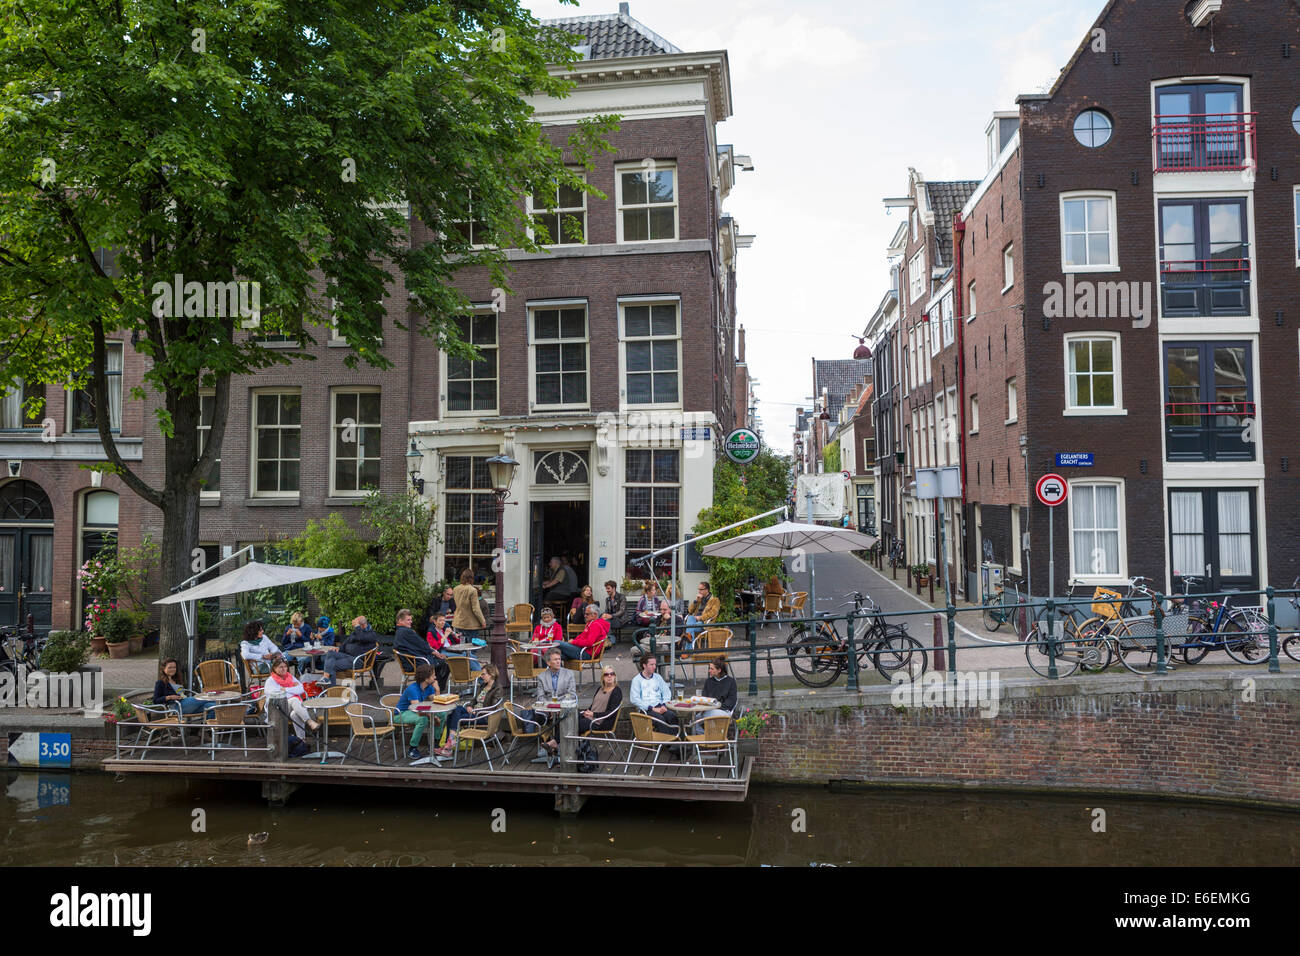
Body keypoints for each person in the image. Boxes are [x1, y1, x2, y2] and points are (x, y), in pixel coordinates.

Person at [436, 663, 504, 757]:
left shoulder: (497, 689)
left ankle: (448, 746)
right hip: (474, 712)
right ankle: (450, 743)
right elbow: (474, 700)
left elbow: (493, 707)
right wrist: (469, 706)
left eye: (483, 674)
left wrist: (479, 710)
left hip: (483, 715)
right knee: (455, 709)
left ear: (491, 675)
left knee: (454, 717)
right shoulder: (483, 686)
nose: (481, 676)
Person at [260, 654, 320, 739]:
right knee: (294, 699)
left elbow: (301, 689)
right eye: (280, 667)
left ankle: (301, 740)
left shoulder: (289, 677)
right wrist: (292, 688)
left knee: (295, 714)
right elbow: (277, 695)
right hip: (276, 709)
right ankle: (310, 722)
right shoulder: (271, 681)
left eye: (285, 666)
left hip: (288, 707)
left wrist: (286, 689)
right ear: (274, 668)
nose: (284, 669)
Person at [394, 663, 440, 760]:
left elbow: (437, 702)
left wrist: (437, 689)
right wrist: (434, 717)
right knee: (422, 719)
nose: (435, 677)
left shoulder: (429, 687)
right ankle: (412, 748)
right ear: (426, 678)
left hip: (415, 711)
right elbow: (418, 709)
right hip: (402, 713)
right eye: (433, 675)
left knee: (442, 714)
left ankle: (434, 744)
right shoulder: (412, 689)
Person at [319, 615, 381, 686]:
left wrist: (357, 627)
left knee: (330, 666)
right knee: (331, 653)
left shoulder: (371, 634)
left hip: (359, 661)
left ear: (363, 625)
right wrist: (339, 648)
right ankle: (326, 679)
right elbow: (345, 643)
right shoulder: (355, 633)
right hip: (348, 656)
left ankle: (330, 690)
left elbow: (361, 637)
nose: (354, 627)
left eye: (356, 625)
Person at [629, 653, 676, 731]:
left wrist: (664, 704)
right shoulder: (636, 680)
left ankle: (673, 740)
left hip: (660, 706)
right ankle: (666, 742)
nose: (654, 667)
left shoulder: (658, 677)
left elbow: (666, 692)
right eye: (651, 664)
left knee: (672, 716)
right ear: (644, 665)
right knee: (660, 720)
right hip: (646, 709)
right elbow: (634, 699)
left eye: (655, 664)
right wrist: (652, 708)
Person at [578, 666, 622, 736]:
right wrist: (586, 712)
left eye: (612, 674)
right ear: (602, 678)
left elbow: (611, 713)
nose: (609, 676)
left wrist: (593, 714)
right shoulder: (600, 689)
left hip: (602, 723)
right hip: (592, 718)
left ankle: (558, 742)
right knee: (572, 718)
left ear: (615, 676)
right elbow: (593, 706)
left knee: (577, 724)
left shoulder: (616, 691)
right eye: (606, 674)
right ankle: (580, 745)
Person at [452, 569, 487, 640]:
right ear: (471, 578)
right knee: (472, 647)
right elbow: (476, 609)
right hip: (470, 624)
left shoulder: (455, 589)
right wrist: (482, 621)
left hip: (458, 621)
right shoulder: (472, 590)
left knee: (461, 646)